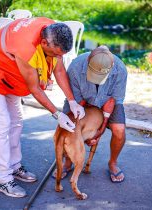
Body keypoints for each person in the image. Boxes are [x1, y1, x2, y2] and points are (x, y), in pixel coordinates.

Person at [0, 17, 85, 198]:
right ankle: (2, 178)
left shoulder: (53, 31)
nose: (57, 58)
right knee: (1, 125)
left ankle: (14, 166)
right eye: (55, 54)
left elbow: (59, 70)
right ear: (44, 42)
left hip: (10, 76)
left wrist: (72, 101)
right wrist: (57, 114)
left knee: (16, 121)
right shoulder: (26, 48)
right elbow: (34, 89)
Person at [53, 45, 127, 183]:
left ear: (111, 67)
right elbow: (75, 100)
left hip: (108, 101)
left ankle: (112, 163)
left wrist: (99, 131)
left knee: (119, 130)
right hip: (80, 100)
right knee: (69, 127)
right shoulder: (75, 67)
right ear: (88, 60)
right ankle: (68, 162)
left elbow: (114, 100)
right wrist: (81, 128)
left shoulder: (120, 70)